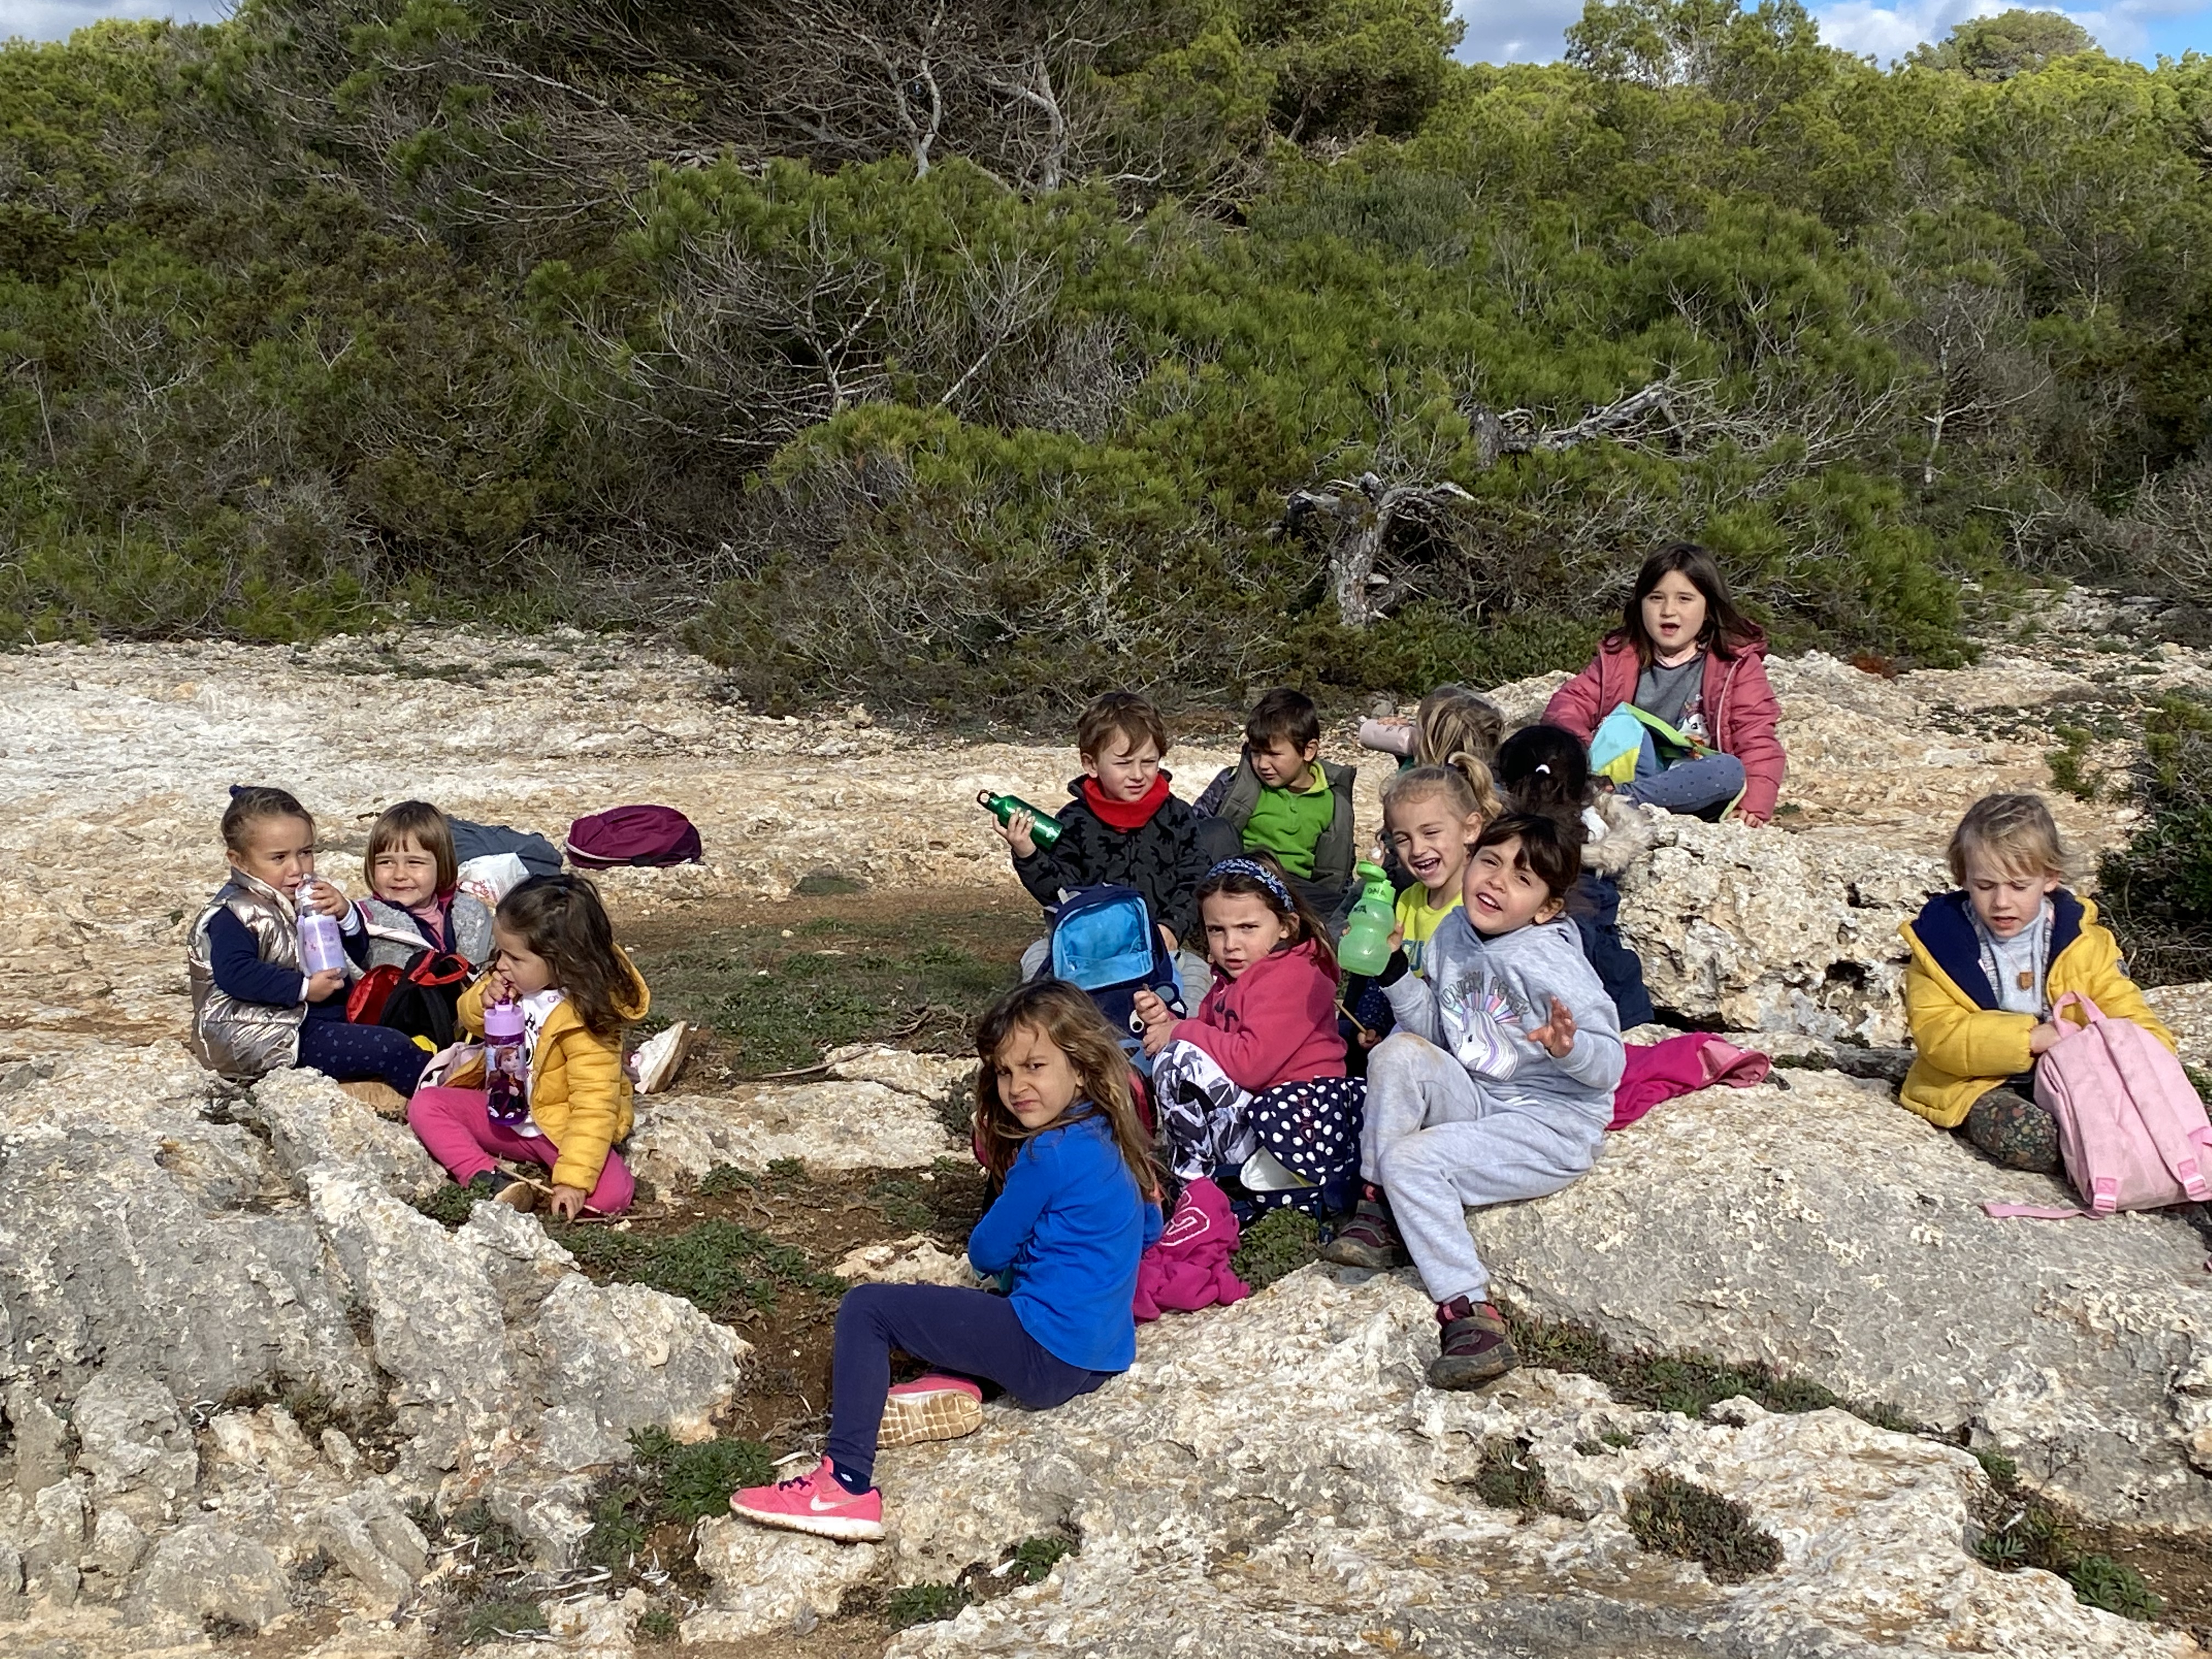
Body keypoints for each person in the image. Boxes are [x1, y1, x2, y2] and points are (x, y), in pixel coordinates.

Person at [728, 980, 1162, 1543]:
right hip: (1098, 1358)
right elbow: (1148, 1230)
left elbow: (985, 1252)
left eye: (1034, 1066)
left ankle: (845, 1485)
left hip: (1045, 1350)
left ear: (1080, 1068)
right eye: (1005, 1073)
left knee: (868, 1309)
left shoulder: (1049, 1152)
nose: (1016, 1086)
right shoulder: (1114, 1139)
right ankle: (957, 1381)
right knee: (984, 1314)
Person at [1322, 815, 1624, 1389]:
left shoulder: (1550, 961)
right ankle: (1379, 1209)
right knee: (1395, 1054)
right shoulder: (1453, 931)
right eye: (1490, 861)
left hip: (1550, 1124)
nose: (1496, 882)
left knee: (1412, 1159)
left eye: (1522, 877)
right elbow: (1441, 1032)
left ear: (1545, 908)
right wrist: (1392, 972)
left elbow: (1610, 1065)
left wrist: (1570, 1048)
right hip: (1481, 1096)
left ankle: (1470, 1313)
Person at [1900, 793, 2176, 1172]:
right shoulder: (1939, 944)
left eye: (2018, 886)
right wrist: (2029, 1040)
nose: (2001, 902)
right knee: (2030, 1136)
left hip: (2078, 1077)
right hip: (1978, 1083)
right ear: (1963, 877)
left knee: (2180, 1111)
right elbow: (1939, 1037)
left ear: (2050, 878)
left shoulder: (2083, 941)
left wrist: (2148, 1059)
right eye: (1985, 886)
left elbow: (2127, 1010)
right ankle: (2107, 1155)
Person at [406, 874, 650, 1218]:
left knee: (610, 1196)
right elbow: (468, 1018)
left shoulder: (588, 1018)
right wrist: (483, 1000)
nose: (502, 965)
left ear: (562, 960)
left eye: (515, 958)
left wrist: (573, 1181)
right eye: (501, 952)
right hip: (504, 1112)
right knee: (427, 1105)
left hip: (558, 1129)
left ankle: (555, 1176)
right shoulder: (514, 980)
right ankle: (484, 1177)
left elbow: (594, 1105)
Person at [1136, 856, 1363, 1215]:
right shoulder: (1235, 977)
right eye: (1217, 930)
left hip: (1296, 1127)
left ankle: (1194, 1191)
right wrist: (1169, 1021)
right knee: (1177, 1054)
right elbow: (1212, 1037)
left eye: (1247, 928)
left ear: (1286, 926)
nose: (1231, 944)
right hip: (1264, 1114)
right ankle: (1203, 1181)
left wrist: (1180, 1031)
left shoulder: (1296, 977)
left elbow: (1249, 1064)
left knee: (1178, 1060)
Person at [187, 785, 431, 1097]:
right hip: (264, 1031)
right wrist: (304, 988)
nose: (297, 869)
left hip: (312, 1014)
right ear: (240, 861)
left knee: (408, 1015)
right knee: (391, 1048)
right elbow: (235, 973)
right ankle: (442, 1099)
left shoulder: (302, 896)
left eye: (305, 852)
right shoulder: (234, 913)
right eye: (279, 858)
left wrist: (346, 916)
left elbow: (353, 954)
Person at [997, 690, 1226, 1011]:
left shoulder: (1177, 816)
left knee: (1197, 979)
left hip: (1159, 947)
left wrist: (1173, 927)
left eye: (1149, 762)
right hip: (1087, 952)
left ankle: (1178, 1044)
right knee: (1037, 960)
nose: (1138, 774)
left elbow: (1196, 877)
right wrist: (1028, 853)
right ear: (1091, 763)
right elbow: (1059, 893)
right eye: (1123, 763)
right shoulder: (1075, 821)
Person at [1543, 543, 1785, 825]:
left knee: (1729, 770)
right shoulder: (1622, 656)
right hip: (1625, 771)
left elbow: (1756, 734)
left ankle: (1615, 801)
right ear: (1641, 604)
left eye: (1685, 599)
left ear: (1709, 607)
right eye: (1656, 598)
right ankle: (1611, 799)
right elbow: (1570, 705)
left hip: (1691, 784)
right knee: (1621, 728)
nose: (1668, 610)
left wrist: (1754, 804)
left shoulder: (1733, 664)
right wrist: (1579, 752)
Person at [1496, 724, 1656, 1029]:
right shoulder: (1595, 829)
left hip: (1523, 1004)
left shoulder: (1502, 834)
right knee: (1609, 953)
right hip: (1607, 987)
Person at [1195, 688, 1357, 913]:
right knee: (1216, 830)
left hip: (1295, 889)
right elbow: (1195, 828)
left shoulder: (1335, 802)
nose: (1262, 764)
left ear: (1308, 751)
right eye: (1256, 753)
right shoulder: (1235, 783)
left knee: (1349, 908)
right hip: (1240, 876)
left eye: (1273, 754)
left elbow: (1340, 870)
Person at [349, 800, 494, 970]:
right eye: (386, 862)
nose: (400, 875)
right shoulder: (362, 922)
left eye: (415, 863)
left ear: (441, 865)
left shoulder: (472, 915)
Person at [1357, 685, 1506, 776]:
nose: (1411, 729)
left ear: (1431, 745)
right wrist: (1404, 757)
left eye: (1418, 727)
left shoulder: (1425, 790)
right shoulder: (1485, 786)